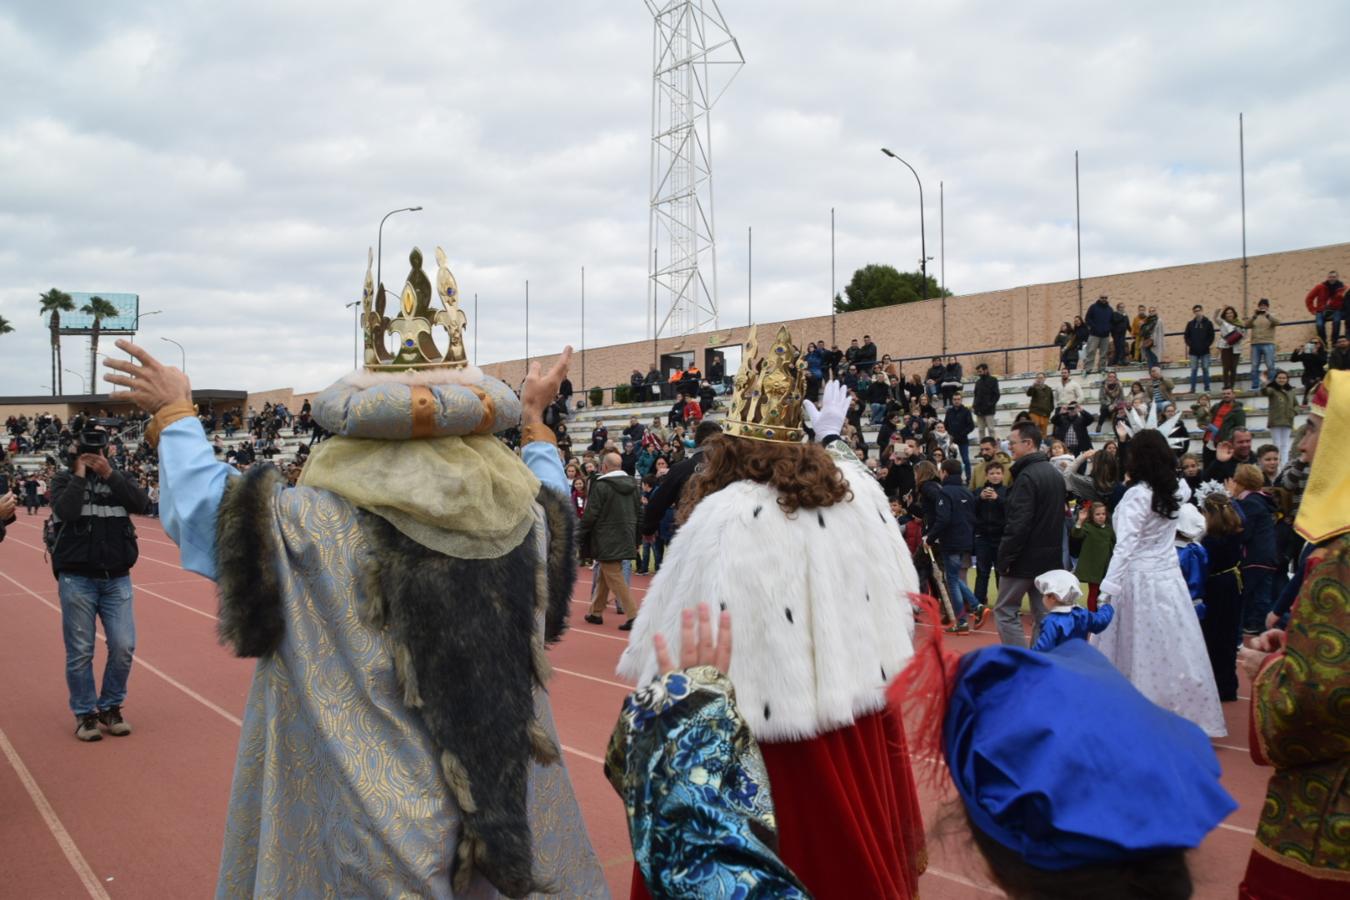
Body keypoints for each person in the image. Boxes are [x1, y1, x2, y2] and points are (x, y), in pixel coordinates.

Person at [103, 250, 604, 895]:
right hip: (501, 827)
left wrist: (176, 415)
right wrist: (535, 423)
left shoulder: (310, 526)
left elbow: (206, 510)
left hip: (368, 835)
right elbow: (550, 493)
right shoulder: (526, 523)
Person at [618, 334, 926, 900]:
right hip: (856, 729)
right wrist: (831, 434)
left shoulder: (721, 521)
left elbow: (674, 666)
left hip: (756, 754)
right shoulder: (855, 496)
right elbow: (897, 570)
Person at [1235, 371, 1349, 897]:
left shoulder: (1342, 556)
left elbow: (1314, 698)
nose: (1303, 443)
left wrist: (1273, 672)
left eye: (1313, 428)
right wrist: (1296, 644)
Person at [1094, 429, 1226, 737]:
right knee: (1174, 646)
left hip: (1139, 580)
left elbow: (1125, 546)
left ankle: (1138, 714)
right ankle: (1178, 712)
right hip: (1168, 579)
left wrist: (1107, 589)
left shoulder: (1138, 496)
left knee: (1136, 647)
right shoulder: (1175, 490)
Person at [47, 423, 150, 742]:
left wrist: (110, 474)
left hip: (117, 577)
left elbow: (141, 504)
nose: (94, 452)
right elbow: (67, 510)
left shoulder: (118, 477)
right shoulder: (63, 479)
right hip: (77, 577)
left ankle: (110, 706)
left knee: (123, 646)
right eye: (87, 446)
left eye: (98, 446)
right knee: (80, 650)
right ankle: (85, 714)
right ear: (76, 448)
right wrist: (79, 473)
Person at [994, 421, 1066, 647]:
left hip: (1023, 558)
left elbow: (1018, 524)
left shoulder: (1026, 477)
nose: (1009, 447)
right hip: (1049, 559)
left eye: (1012, 443)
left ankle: (1021, 661)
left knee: (1005, 610)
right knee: (1043, 612)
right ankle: (1039, 659)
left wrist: (1005, 557)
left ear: (1028, 443)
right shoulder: (1054, 474)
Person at [920, 459, 985, 635]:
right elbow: (973, 516)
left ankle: (963, 619)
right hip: (965, 540)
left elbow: (943, 519)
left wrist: (931, 538)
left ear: (945, 473)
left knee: (952, 580)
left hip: (951, 540)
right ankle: (975, 606)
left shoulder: (945, 492)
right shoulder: (967, 492)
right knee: (954, 578)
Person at [581, 451, 642, 631]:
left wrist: (578, 534)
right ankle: (595, 612)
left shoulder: (601, 486)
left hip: (606, 537)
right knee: (605, 575)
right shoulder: (634, 485)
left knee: (614, 576)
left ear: (604, 467)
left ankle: (633, 615)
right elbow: (640, 513)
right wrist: (637, 537)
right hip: (627, 534)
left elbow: (591, 514)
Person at [1197, 487, 1244, 702]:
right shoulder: (1235, 533)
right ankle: (1228, 684)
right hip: (1233, 585)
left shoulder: (1209, 541)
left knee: (1213, 635)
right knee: (1229, 634)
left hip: (1216, 588)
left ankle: (1216, 684)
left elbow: (1205, 567)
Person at [1230, 463, 1279, 637]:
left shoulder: (1249, 503)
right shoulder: (1260, 499)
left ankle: (1256, 625)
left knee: (1252, 596)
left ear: (1241, 482)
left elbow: (1245, 532)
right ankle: (1262, 624)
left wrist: (1232, 501)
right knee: (1262, 594)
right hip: (1267, 556)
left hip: (1255, 556)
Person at [1029, 569, 1114, 651]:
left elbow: (1043, 648)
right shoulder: (1083, 614)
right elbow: (1101, 621)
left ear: (1053, 598)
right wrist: (1106, 606)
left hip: (1058, 663)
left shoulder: (1052, 621)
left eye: (1044, 595)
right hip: (1077, 661)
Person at [972, 461, 1006, 608]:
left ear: (1003, 475)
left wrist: (997, 499)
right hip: (983, 537)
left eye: (998, 473)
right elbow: (971, 510)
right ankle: (978, 603)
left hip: (1001, 538)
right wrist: (979, 499)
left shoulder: (1007, 491)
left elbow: (1011, 510)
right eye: (992, 473)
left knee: (1001, 573)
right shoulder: (979, 491)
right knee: (982, 572)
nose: (995, 476)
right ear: (986, 475)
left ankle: (1004, 604)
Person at [1071, 501, 1115, 611]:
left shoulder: (1109, 529)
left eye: (1103, 514)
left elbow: (1115, 544)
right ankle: (1092, 616)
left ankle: (1103, 616)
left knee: (1106, 593)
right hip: (1093, 568)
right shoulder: (1087, 527)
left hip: (1106, 566)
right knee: (1094, 593)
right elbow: (1076, 534)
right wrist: (1080, 520)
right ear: (1092, 515)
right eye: (1098, 514)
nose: (1101, 517)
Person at [1260, 369, 1297, 464]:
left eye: (1284, 378)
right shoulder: (1272, 389)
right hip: (1275, 421)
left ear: (1287, 379)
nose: (1282, 380)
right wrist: (1264, 382)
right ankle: (1277, 464)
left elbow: (1296, 405)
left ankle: (1284, 465)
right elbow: (1265, 392)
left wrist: (1293, 412)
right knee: (1277, 444)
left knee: (1285, 445)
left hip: (1288, 420)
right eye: (1279, 378)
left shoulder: (1291, 391)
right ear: (1276, 379)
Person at [1245, 298, 1281, 390]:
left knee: (1270, 365)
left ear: (1267, 307)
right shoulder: (1255, 316)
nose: (1262, 307)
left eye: (1264, 305)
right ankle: (1255, 385)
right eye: (1261, 305)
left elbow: (1278, 322)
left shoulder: (1271, 315)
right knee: (1254, 366)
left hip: (1268, 343)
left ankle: (1271, 385)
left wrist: (1267, 315)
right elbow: (1246, 325)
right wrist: (1254, 316)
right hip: (1255, 344)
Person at [1303, 268, 1345, 345]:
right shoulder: (1320, 287)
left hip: (1336, 310)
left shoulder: (1343, 288)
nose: (1332, 278)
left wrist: (1344, 310)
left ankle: (1334, 343)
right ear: (1327, 277)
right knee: (1319, 325)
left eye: (1334, 277)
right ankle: (1323, 343)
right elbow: (1309, 298)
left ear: (1337, 277)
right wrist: (1312, 310)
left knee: (1336, 322)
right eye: (1330, 277)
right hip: (1321, 310)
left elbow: (1346, 299)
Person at [1184, 303, 1216, 393]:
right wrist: (1191, 345)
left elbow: (1211, 336)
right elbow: (1186, 336)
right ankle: (1192, 389)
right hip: (1193, 351)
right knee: (1193, 370)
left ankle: (1207, 388)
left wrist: (1206, 345)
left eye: (1198, 311)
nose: (1197, 313)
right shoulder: (1190, 324)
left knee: (1205, 369)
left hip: (1205, 351)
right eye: (1195, 311)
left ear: (1202, 311)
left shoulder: (1208, 323)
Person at [943, 392, 975, 475]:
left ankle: (968, 478)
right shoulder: (949, 411)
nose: (956, 401)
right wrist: (950, 434)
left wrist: (962, 434)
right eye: (954, 399)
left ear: (961, 400)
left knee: (965, 460)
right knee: (951, 461)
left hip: (963, 440)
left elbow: (971, 426)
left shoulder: (966, 411)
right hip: (952, 440)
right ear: (952, 400)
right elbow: (945, 425)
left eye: (958, 399)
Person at [1290, 337, 1328, 404]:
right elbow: (1293, 359)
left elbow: (1324, 362)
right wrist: (1297, 351)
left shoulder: (1323, 352)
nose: (1314, 344)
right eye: (1311, 343)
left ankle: (1316, 385)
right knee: (1310, 382)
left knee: (1321, 382)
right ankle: (1306, 397)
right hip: (1308, 374)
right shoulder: (1306, 353)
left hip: (1320, 373)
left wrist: (1316, 354)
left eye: (1316, 343)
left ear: (1320, 344)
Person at [1082, 295, 1114, 372]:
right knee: (1091, 351)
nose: (1104, 299)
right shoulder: (1093, 307)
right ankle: (1088, 369)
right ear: (1099, 298)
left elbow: (1112, 321)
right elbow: (1087, 319)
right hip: (1094, 334)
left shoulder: (1110, 309)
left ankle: (1102, 368)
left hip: (1105, 335)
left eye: (1105, 298)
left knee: (1104, 353)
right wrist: (1094, 327)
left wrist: (1108, 329)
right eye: (1102, 298)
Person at [971, 362, 1000, 439]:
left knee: (991, 429)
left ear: (986, 370)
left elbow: (996, 395)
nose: (979, 373)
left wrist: (989, 404)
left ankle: (993, 446)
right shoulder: (978, 382)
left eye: (980, 371)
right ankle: (982, 447)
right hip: (979, 410)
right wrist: (974, 406)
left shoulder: (993, 380)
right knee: (980, 430)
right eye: (978, 372)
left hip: (989, 410)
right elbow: (976, 395)